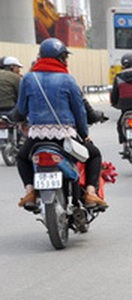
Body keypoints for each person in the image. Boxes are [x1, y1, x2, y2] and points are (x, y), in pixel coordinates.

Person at [16, 38, 108, 210]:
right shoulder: (68, 80)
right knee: (94, 155)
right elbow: (79, 112)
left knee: (22, 157)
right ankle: (90, 193)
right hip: (65, 136)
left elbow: (21, 109)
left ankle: (30, 191)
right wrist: (84, 134)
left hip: (37, 137)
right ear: (61, 58)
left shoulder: (28, 79)